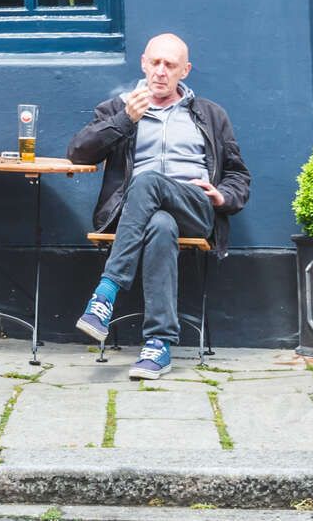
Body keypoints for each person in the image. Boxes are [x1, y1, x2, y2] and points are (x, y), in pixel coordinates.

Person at [67, 32, 249, 379]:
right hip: (140, 217)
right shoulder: (118, 108)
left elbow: (239, 176)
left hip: (195, 207)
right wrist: (124, 120)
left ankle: (105, 295)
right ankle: (158, 345)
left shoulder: (210, 115)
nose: (161, 72)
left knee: (149, 181)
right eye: (155, 63)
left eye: (170, 65)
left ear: (185, 71)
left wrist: (221, 195)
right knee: (160, 224)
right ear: (143, 64)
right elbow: (78, 153)